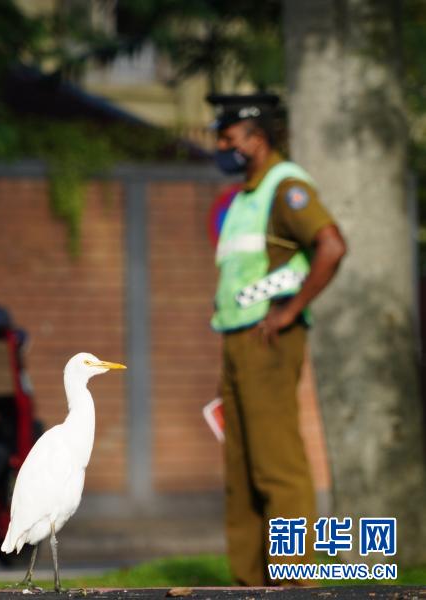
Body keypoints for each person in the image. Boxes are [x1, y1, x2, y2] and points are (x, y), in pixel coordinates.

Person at [206, 95, 347, 586]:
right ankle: (249, 588)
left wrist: (287, 312)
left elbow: (331, 246)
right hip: (238, 340)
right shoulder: (246, 196)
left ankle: (295, 585)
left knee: (276, 466)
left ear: (257, 139)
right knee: (241, 472)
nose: (222, 147)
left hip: (269, 339)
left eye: (229, 139)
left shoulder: (287, 188)